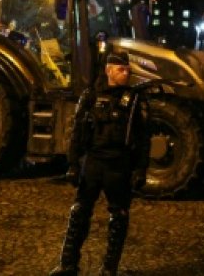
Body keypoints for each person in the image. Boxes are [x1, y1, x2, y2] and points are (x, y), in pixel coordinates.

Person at [50, 52, 150, 276]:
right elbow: (77, 132)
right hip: (93, 163)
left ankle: (109, 268)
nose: (126, 74)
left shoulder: (134, 100)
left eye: (127, 70)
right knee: (79, 212)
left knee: (119, 216)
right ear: (108, 70)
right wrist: (73, 164)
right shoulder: (91, 96)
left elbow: (144, 138)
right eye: (120, 69)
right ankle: (67, 264)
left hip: (119, 164)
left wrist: (141, 168)